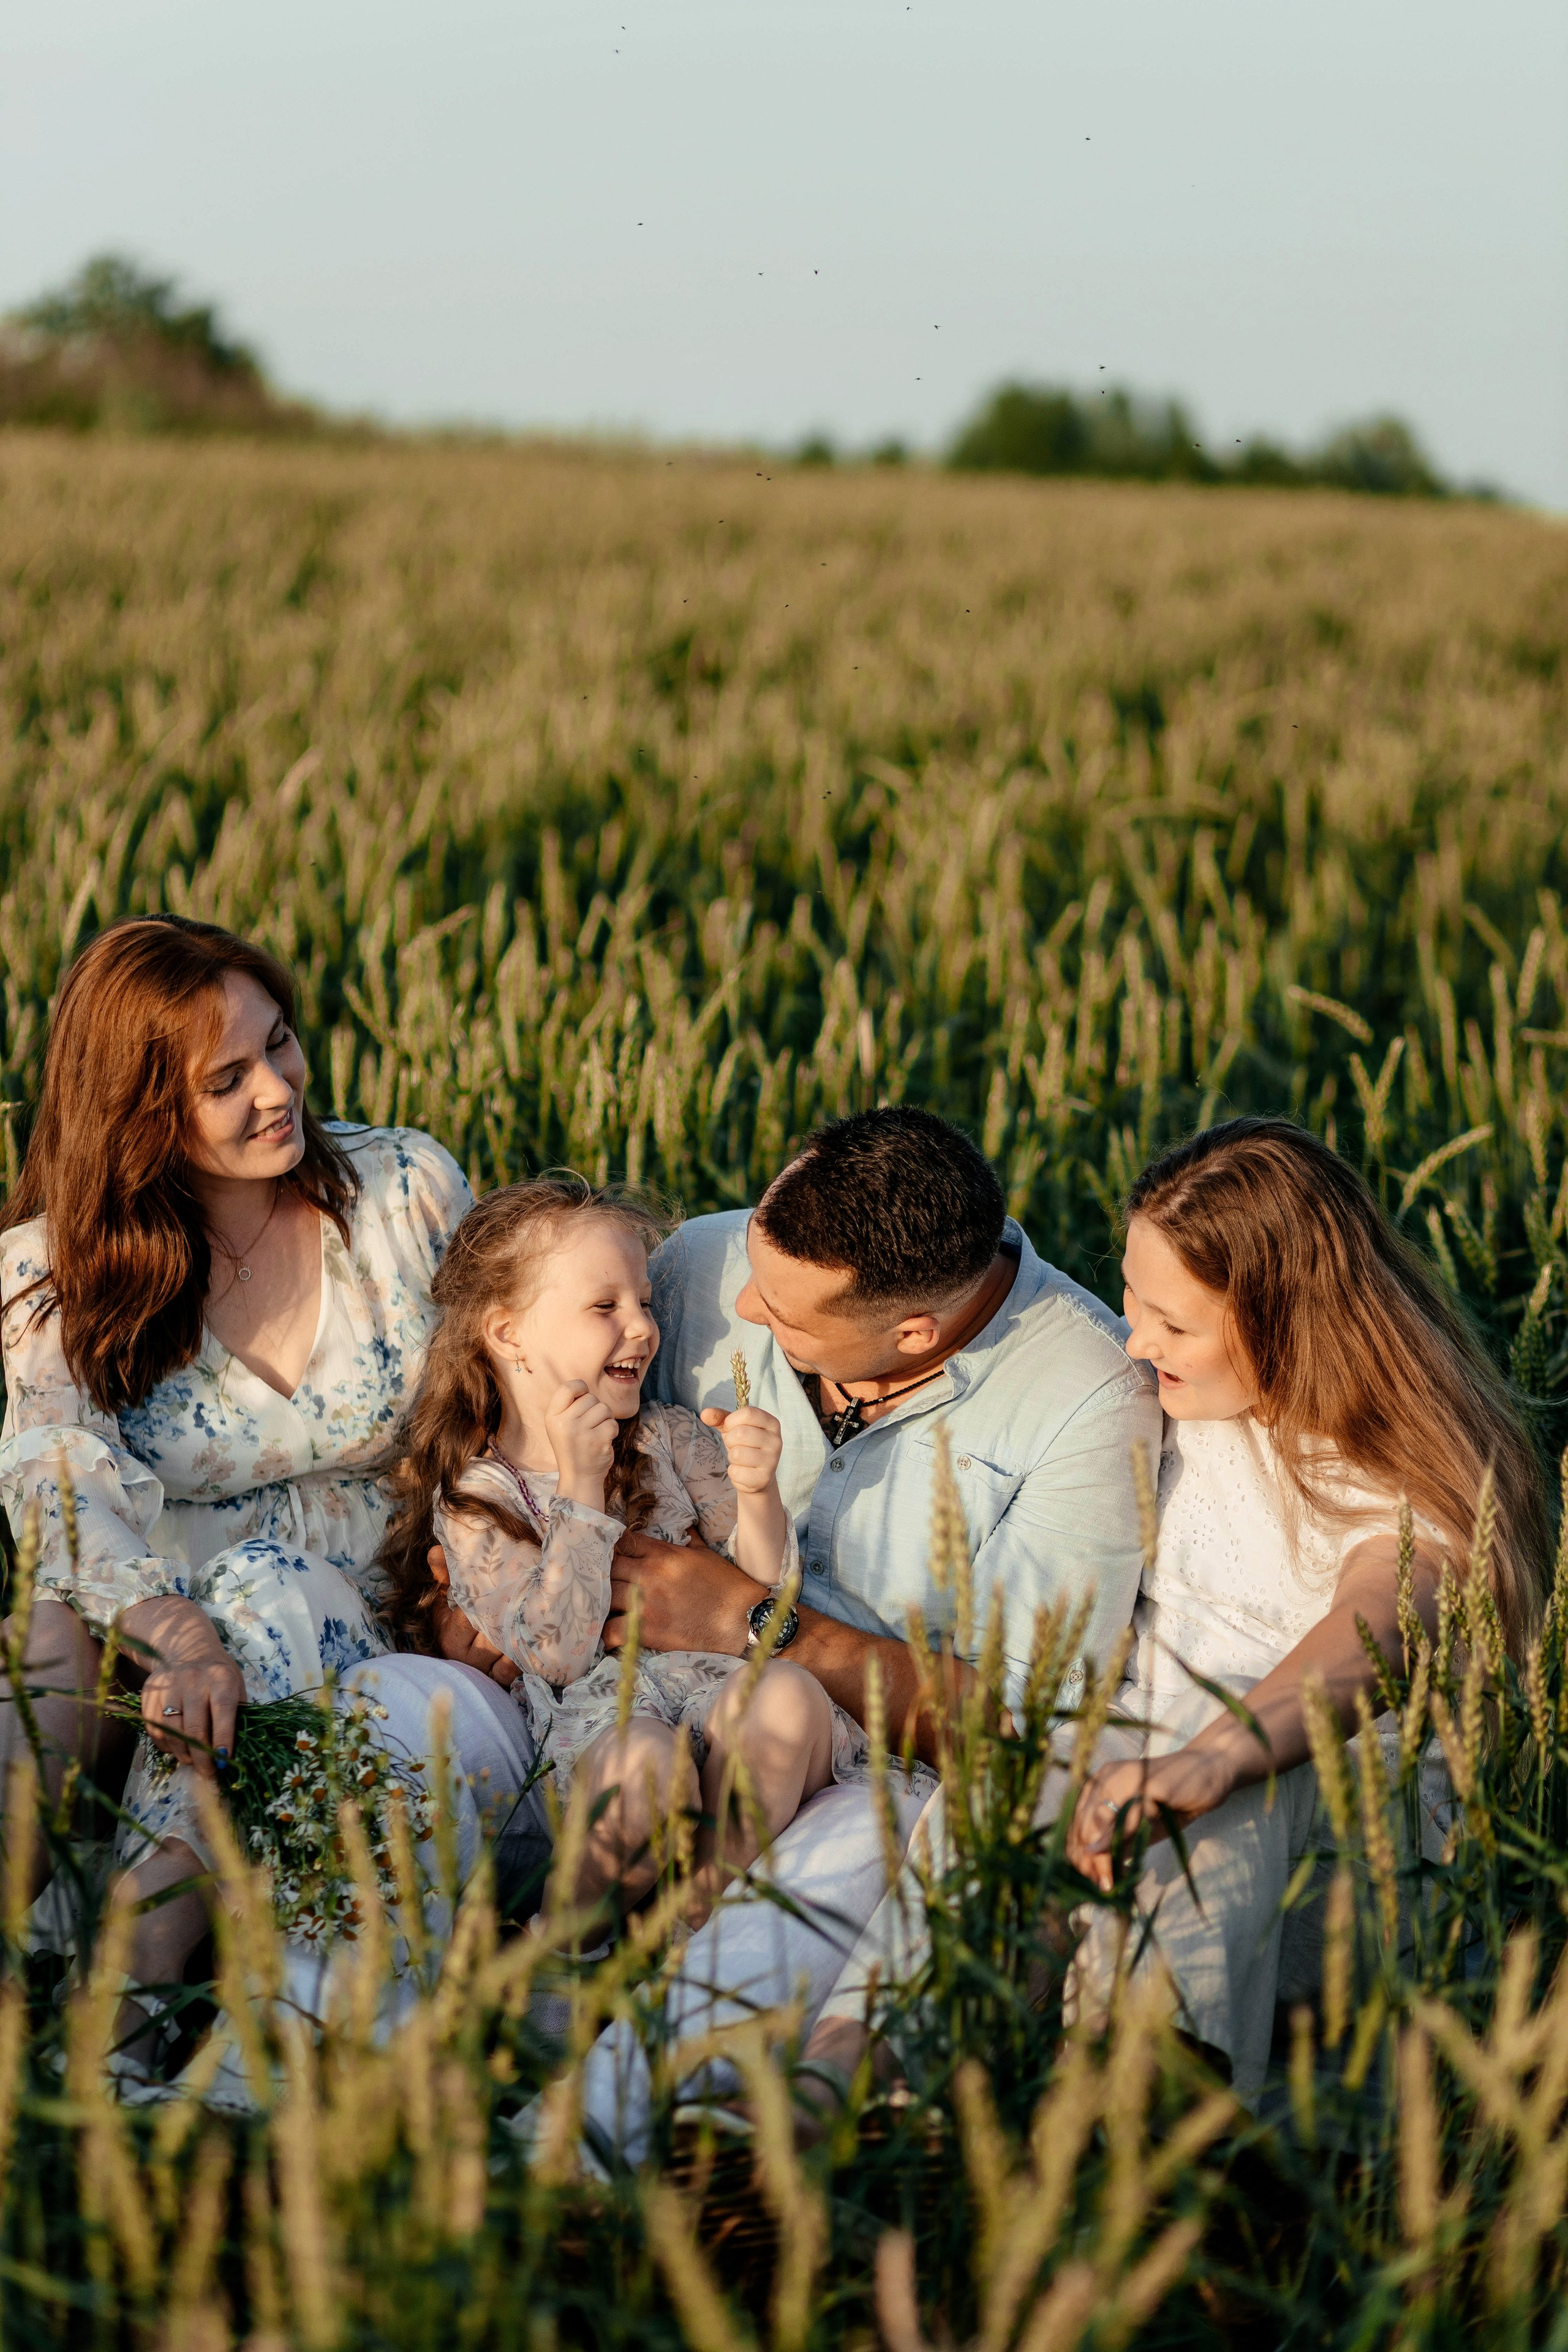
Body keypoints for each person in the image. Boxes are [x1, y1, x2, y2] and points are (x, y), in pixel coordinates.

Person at [430, 1106, 1161, 2148]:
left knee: (759, 1935)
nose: (730, 1303)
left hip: (849, 1772)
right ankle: (337, 2051)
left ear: (913, 1335)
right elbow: (526, 1388)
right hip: (599, 1721)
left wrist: (756, 1620)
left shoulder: (1085, 1400)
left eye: (779, 1310)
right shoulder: (704, 1263)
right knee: (410, 1719)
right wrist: (474, 1583)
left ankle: (563, 2170)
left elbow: (1020, 1723)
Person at [804, 1117, 1550, 2102]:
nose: (1137, 1340)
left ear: (1289, 1319)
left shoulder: (1407, 1475)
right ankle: (826, 2097)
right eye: (1132, 1299)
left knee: (1210, 1741)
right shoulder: (1180, 1402)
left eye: (1175, 1324)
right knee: (1027, 1764)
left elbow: (1373, 1628)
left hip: (1317, 1869)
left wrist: (1210, 1761)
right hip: (1121, 1794)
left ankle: (1151, 2123)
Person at [0, 917, 549, 2062]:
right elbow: (60, 1488)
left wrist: (495, 1570)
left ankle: (131, 1992)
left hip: (384, 1635)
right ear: (140, 1108)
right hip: (174, 1686)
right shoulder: (56, 1272)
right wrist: (179, 1637)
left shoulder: (402, 1193)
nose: (278, 1090)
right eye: (226, 1079)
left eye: (282, 1045)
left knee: (273, 1591)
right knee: (45, 1648)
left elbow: (514, 1400)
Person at [379, 1177, 932, 1917]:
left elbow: (767, 1585)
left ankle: (699, 1926)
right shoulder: (481, 1500)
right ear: (508, 1334)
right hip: (602, 1724)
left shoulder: (667, 1437)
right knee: (643, 1765)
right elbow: (558, 1653)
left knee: (790, 1696)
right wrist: (579, 1487)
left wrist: (757, 1489)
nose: (642, 1327)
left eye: (643, 1302)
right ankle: (566, 1950)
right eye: (606, 1307)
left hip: (714, 1690)